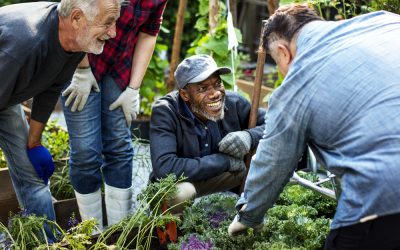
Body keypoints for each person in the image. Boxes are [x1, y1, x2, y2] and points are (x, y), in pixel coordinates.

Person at [228, 4, 400, 249]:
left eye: (277, 63)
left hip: (384, 198)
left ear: (282, 51)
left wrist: (247, 217)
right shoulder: (384, 22)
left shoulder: (297, 84)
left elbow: (274, 161)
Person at [0, 0, 121, 229]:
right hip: (5, 78)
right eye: (107, 23)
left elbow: (50, 88)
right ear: (76, 19)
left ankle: (47, 242)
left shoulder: (75, 43)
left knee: (31, 175)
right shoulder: (27, 44)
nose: (113, 32)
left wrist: (33, 142)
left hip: (7, 95)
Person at [61, 0, 168, 229]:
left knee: (119, 146)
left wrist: (134, 88)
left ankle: (119, 232)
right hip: (80, 58)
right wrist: (81, 69)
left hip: (119, 67)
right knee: (85, 153)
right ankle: (92, 233)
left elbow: (149, 33)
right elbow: (73, 16)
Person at [149, 54, 266, 213]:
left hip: (219, 179)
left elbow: (274, 124)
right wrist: (223, 162)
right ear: (185, 95)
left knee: (263, 161)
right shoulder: (165, 112)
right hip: (183, 183)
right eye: (203, 88)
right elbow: (164, 167)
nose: (215, 93)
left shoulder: (234, 103)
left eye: (217, 83)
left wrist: (249, 136)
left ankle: (244, 215)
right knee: (181, 194)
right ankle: (176, 234)